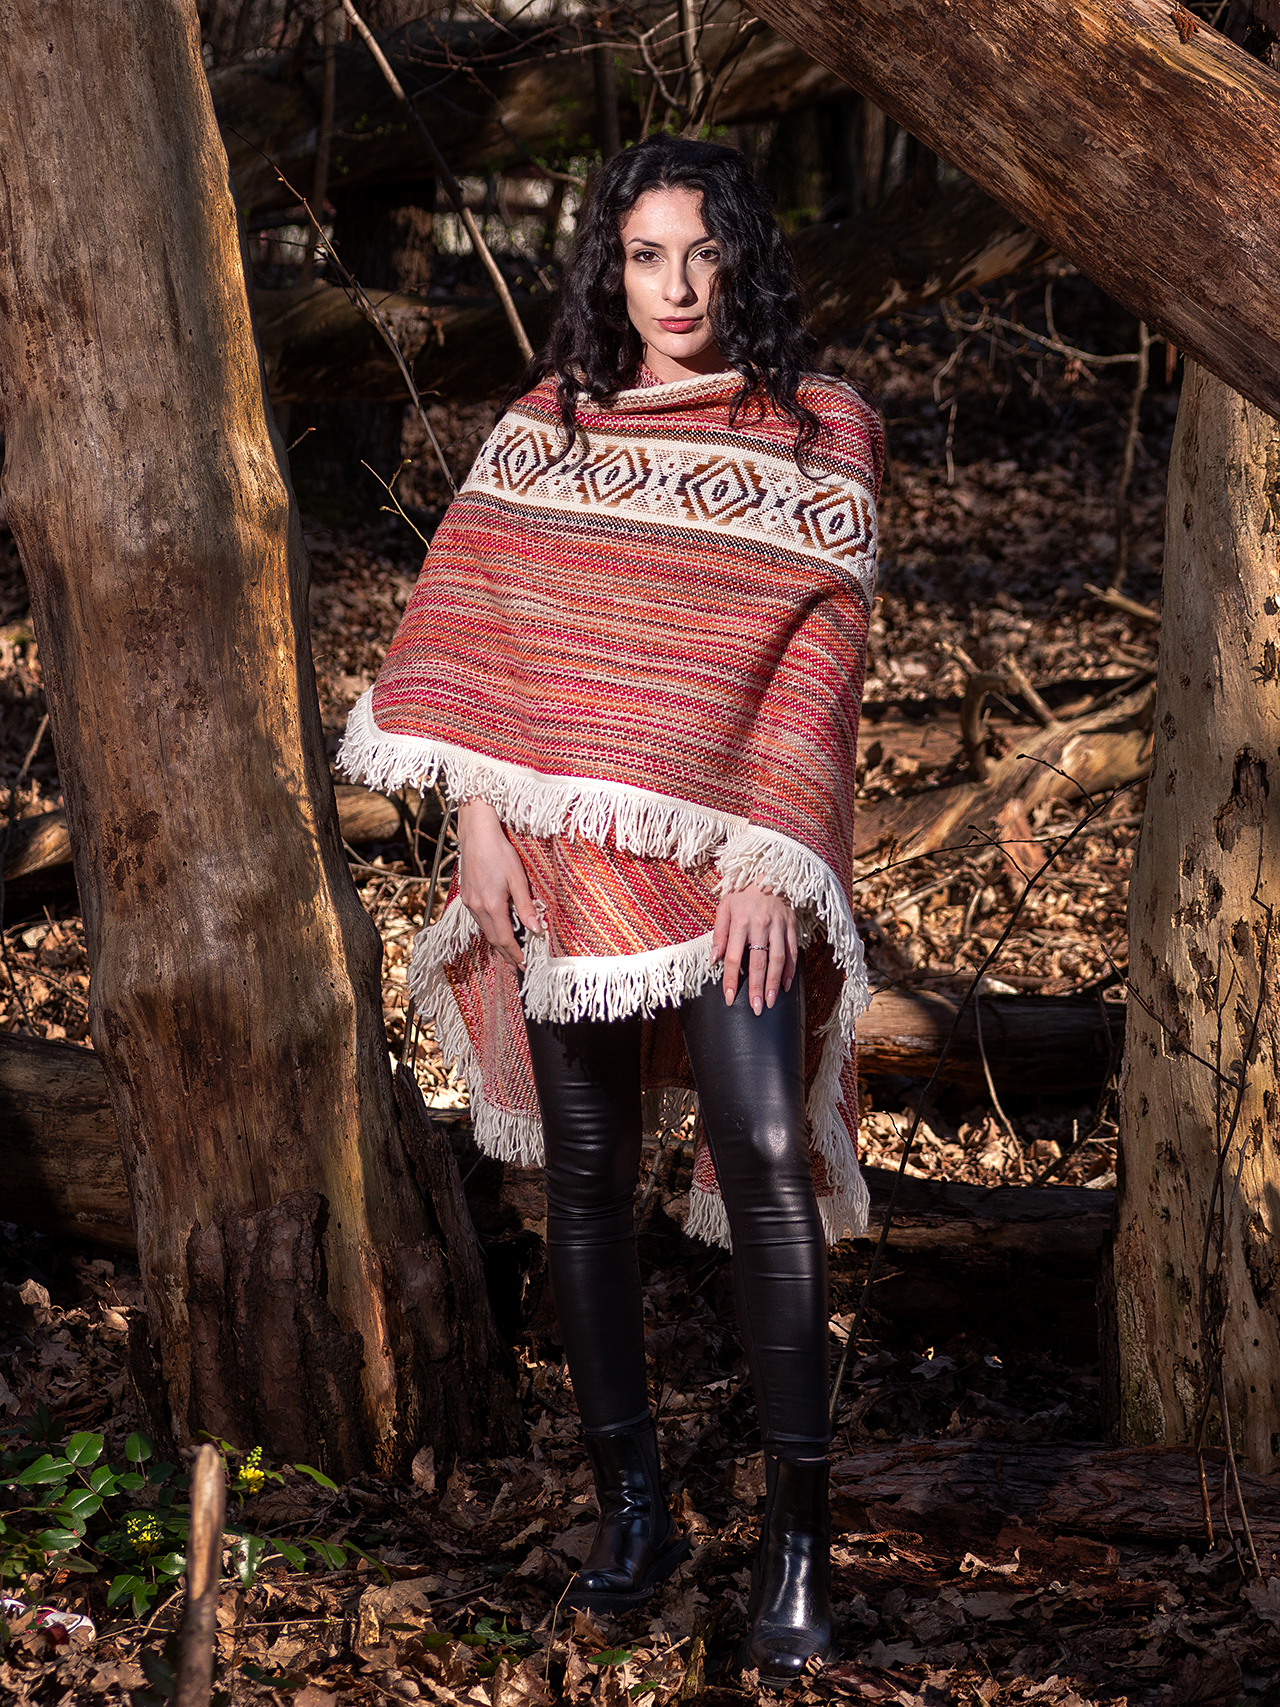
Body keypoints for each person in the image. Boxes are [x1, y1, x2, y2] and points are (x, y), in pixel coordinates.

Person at [340, 135, 883, 1684]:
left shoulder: (820, 428)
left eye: (704, 253)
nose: (678, 287)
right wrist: (479, 824)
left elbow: (824, 662)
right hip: (561, 854)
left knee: (763, 1154)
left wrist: (773, 855)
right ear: (611, 269)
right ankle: (634, 1513)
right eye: (648, 256)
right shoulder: (548, 428)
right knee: (584, 1183)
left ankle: (796, 1541)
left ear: (744, 257)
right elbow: (471, 634)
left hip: (732, 859)